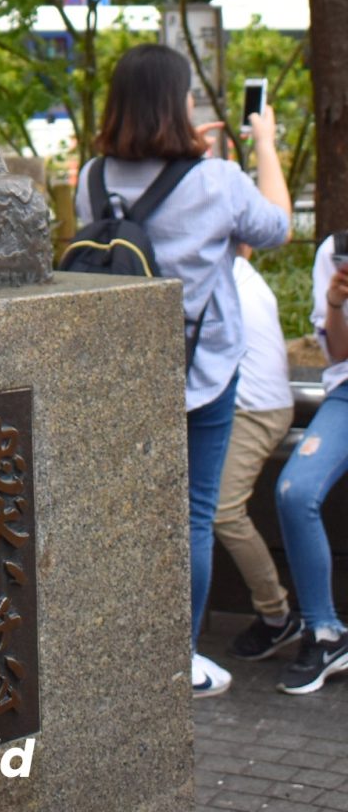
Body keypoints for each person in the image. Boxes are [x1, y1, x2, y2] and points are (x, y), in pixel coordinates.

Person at [74, 44, 290, 699]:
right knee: (193, 518)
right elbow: (275, 228)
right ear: (179, 102)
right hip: (201, 376)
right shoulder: (217, 180)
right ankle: (180, 662)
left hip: (120, 378)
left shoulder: (93, 177)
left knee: (130, 517)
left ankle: (121, 652)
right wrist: (265, 144)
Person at [273, 234, 348, 694]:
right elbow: (339, 353)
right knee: (293, 491)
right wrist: (336, 304)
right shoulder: (335, 248)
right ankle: (324, 631)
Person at [216, 247, 298, 661]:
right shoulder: (237, 270)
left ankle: (276, 615)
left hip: (255, 410)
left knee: (223, 512)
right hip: (247, 405)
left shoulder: (219, 276)